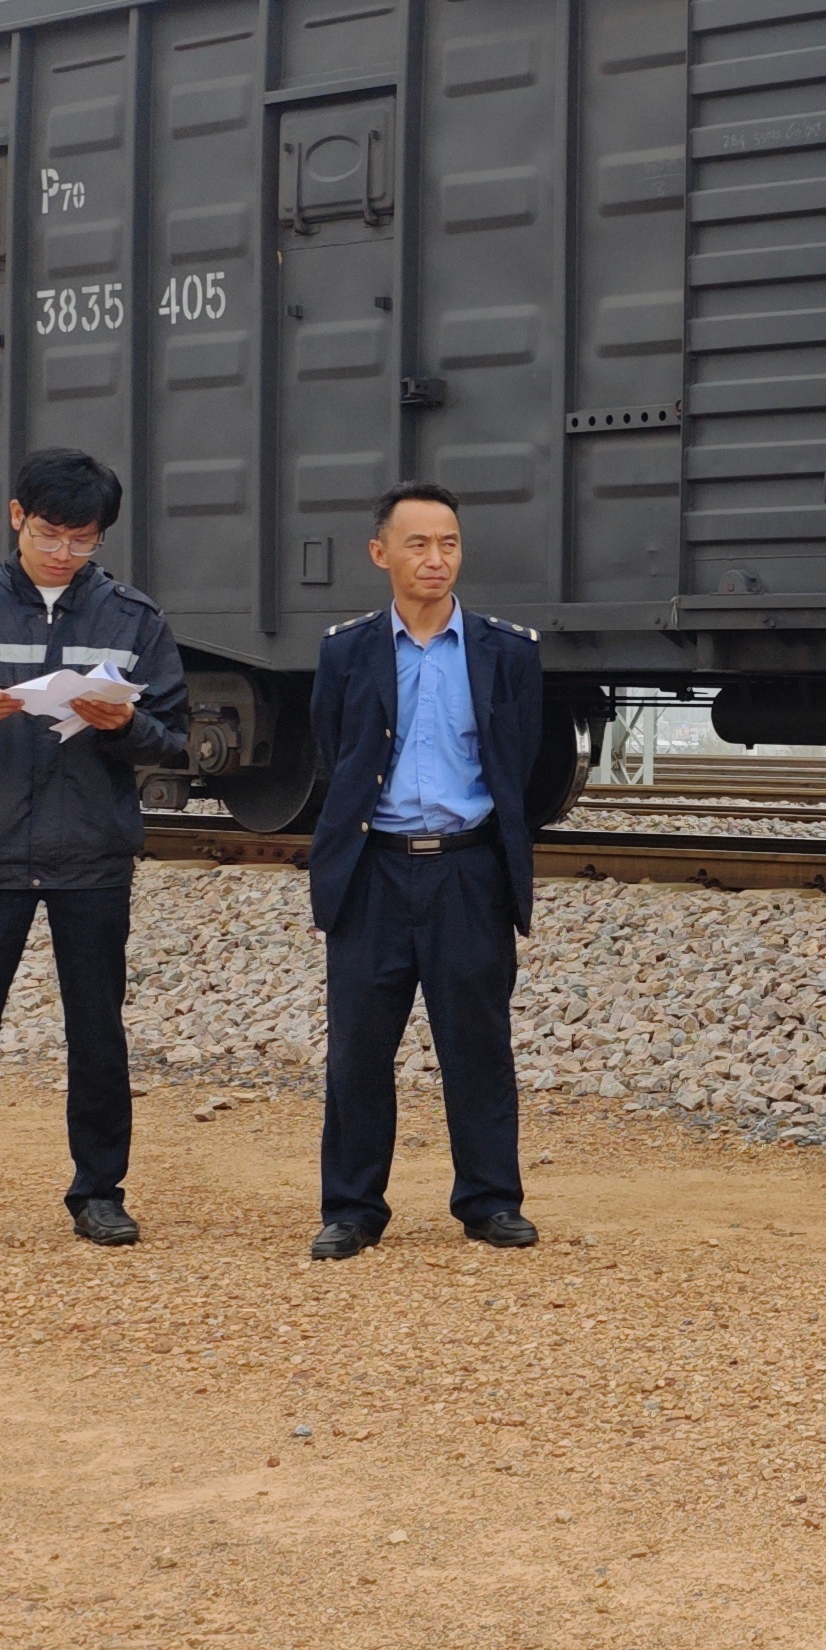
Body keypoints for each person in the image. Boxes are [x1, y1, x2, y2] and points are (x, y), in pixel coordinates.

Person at [0, 447, 188, 1263]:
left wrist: (128, 728)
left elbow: (177, 738)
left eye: (83, 540)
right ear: (17, 516)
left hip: (90, 855)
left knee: (98, 1033)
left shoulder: (135, 620)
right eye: (52, 533)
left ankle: (99, 1194)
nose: (65, 552)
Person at [306, 481, 546, 1260]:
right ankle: (351, 1208)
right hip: (374, 871)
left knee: (478, 1043)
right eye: (418, 544)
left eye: (448, 543)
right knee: (358, 1050)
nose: (436, 558)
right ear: (382, 555)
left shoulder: (508, 651)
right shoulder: (346, 651)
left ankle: (489, 1201)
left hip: (468, 872)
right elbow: (332, 752)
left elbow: (523, 762)